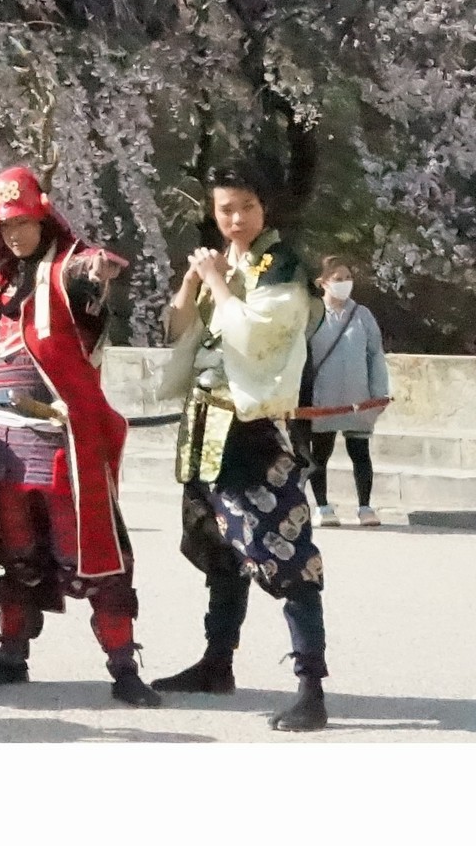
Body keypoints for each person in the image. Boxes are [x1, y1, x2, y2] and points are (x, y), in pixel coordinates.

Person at [0, 165, 158, 708]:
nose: (16, 234)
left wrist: (98, 269)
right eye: (7, 226)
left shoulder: (67, 270)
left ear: (43, 217)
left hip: (64, 446)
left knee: (93, 553)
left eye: (24, 222)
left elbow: (101, 267)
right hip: (4, 444)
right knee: (17, 553)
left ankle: (123, 665)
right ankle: (10, 654)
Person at [151, 167, 331, 732]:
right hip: (204, 425)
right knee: (220, 554)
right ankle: (216, 662)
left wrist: (220, 282)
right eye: (226, 208)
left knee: (286, 556)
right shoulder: (219, 264)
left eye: (246, 207)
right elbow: (177, 331)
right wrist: (192, 284)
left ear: (265, 209)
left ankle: (311, 685)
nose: (235, 219)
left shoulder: (283, 268)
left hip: (251, 427)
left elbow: (255, 336)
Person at [302, 255, 390, 527]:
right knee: (320, 453)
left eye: (348, 278)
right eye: (338, 279)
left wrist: (378, 394)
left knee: (360, 452)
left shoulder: (362, 315)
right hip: (323, 399)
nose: (345, 284)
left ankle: (365, 506)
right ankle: (323, 507)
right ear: (323, 283)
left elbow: (375, 355)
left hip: (357, 399)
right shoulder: (311, 316)